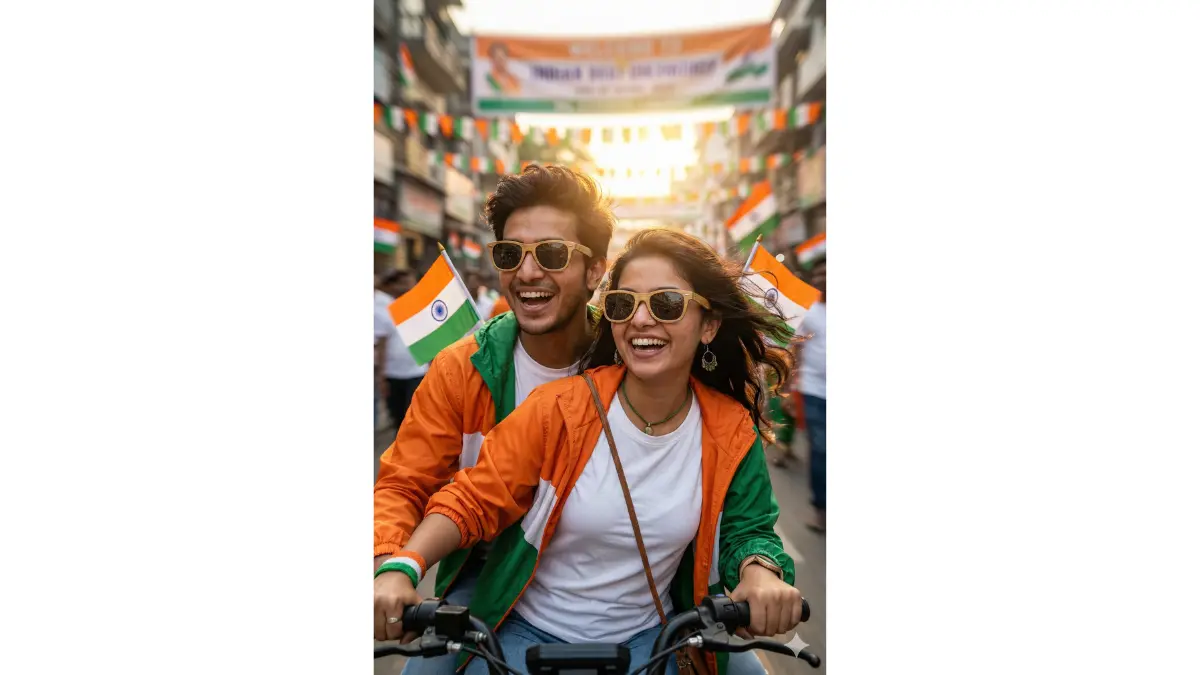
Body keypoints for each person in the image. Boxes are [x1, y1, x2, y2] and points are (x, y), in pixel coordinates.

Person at [375, 229, 803, 675]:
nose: (640, 320)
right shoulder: (557, 409)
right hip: (519, 631)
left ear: (709, 324)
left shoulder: (731, 428)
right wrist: (403, 566)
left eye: (666, 304)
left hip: (654, 637)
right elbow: (473, 498)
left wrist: (759, 573)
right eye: (623, 304)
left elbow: (748, 530)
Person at [375, 270, 430, 432]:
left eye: (410, 282)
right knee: (398, 416)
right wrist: (381, 377)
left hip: (417, 371)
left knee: (414, 415)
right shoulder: (385, 310)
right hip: (393, 374)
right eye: (403, 283)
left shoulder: (420, 307)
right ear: (392, 286)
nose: (407, 286)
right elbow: (382, 344)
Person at [795, 256, 826, 533]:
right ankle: (821, 509)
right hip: (815, 391)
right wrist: (787, 385)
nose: (823, 279)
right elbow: (796, 347)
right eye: (819, 275)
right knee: (821, 450)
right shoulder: (810, 312)